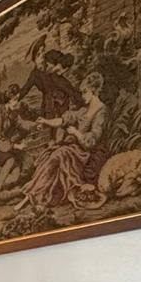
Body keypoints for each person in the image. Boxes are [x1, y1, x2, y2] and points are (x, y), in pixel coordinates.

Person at [20, 72, 110, 213]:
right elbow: (64, 120)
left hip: (89, 152)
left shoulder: (102, 112)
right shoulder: (83, 110)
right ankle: (36, 193)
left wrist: (75, 133)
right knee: (51, 155)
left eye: (84, 92)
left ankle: (34, 193)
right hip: (76, 148)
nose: (82, 96)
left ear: (93, 91)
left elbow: (92, 140)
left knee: (59, 155)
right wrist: (46, 121)